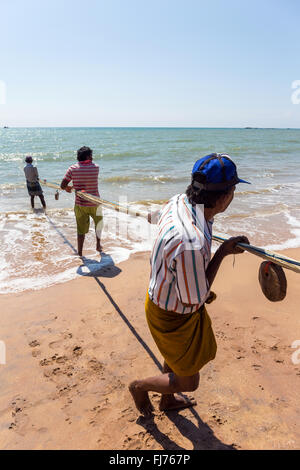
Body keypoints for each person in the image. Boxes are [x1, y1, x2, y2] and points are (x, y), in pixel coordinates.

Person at [129, 153, 250, 415]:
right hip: (172, 314)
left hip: (162, 297)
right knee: (188, 381)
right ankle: (139, 387)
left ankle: (168, 400)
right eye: (233, 190)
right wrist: (223, 252)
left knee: (174, 361)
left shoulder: (179, 201)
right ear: (224, 198)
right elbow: (194, 299)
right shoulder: (190, 243)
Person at [60, 146, 103, 257]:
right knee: (98, 225)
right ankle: (98, 245)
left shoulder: (72, 169)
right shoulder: (96, 167)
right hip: (95, 202)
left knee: (80, 230)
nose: (92, 157)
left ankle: (80, 253)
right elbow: (87, 181)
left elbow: (62, 185)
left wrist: (69, 188)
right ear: (88, 156)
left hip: (80, 204)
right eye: (91, 155)